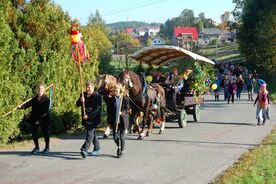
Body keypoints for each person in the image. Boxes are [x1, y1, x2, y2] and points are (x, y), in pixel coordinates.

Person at [17, 84, 50, 154]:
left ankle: (47, 148)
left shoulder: (46, 99)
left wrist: (39, 120)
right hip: (34, 118)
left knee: (45, 133)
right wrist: (20, 107)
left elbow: (45, 111)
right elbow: (27, 104)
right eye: (39, 89)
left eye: (41, 89)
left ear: (44, 90)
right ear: (37, 90)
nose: (40, 90)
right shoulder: (35, 98)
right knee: (34, 133)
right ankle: (37, 147)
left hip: (43, 119)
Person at [76, 81, 102, 158]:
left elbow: (98, 109)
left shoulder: (98, 96)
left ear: (93, 88)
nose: (87, 89)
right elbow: (77, 104)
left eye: (89, 87)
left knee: (89, 134)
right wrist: (80, 101)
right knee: (93, 134)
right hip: (85, 118)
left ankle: (84, 150)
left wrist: (89, 116)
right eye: (86, 87)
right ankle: (97, 148)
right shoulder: (83, 94)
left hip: (94, 119)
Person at [109, 84, 129, 158]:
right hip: (115, 121)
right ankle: (119, 146)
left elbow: (127, 109)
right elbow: (109, 112)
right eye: (114, 90)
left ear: (120, 90)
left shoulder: (125, 99)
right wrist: (109, 123)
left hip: (123, 120)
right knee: (115, 137)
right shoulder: (111, 100)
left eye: (116, 90)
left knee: (121, 136)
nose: (115, 92)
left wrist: (122, 112)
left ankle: (122, 151)